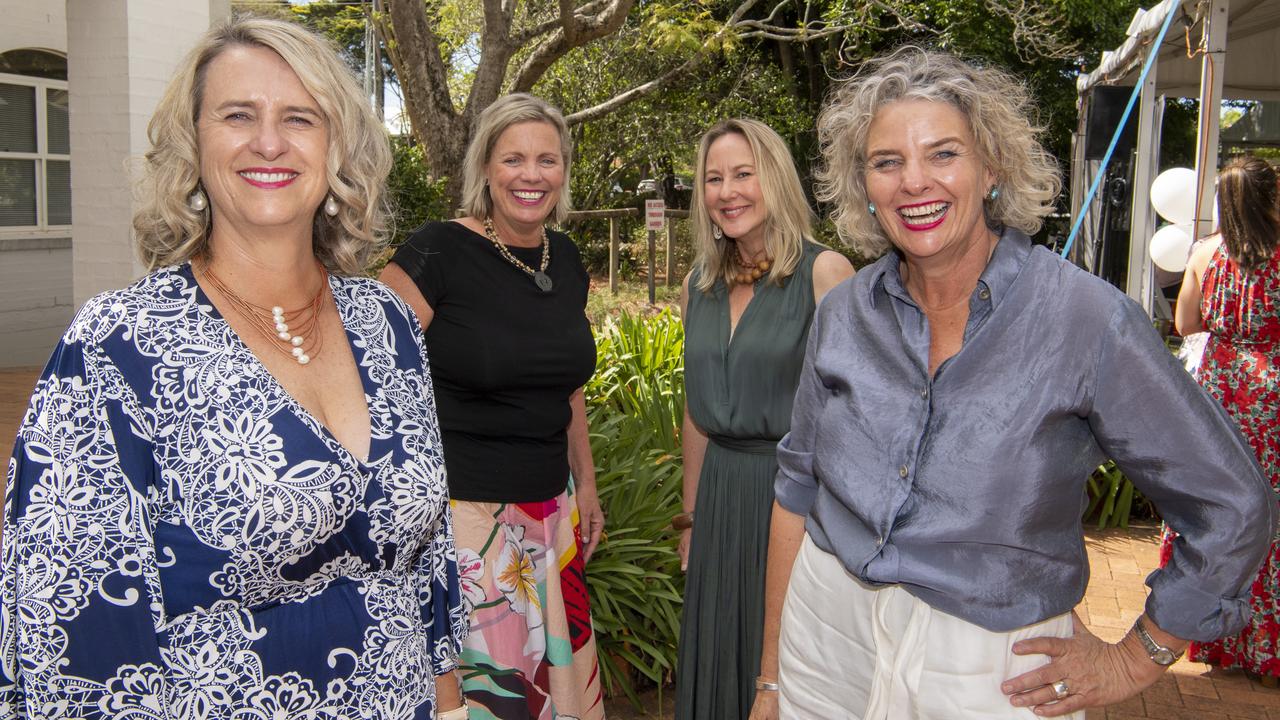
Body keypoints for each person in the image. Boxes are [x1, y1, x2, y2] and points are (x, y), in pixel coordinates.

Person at [748, 47, 1276, 720]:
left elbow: (1234, 502)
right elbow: (797, 490)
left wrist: (1138, 656)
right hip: (826, 638)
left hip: (991, 670)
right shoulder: (844, 313)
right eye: (887, 162)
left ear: (992, 165)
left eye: (944, 154)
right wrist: (772, 681)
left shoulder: (1084, 319)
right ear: (865, 184)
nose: (914, 181)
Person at [1, 16, 468, 719]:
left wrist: (449, 696)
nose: (270, 142)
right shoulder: (119, 346)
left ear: (336, 144)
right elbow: (69, 620)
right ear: (195, 144)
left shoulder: (387, 323)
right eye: (238, 115)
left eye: (299, 118)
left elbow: (427, 560)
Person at [379, 93, 604, 720]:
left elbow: (566, 385)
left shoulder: (568, 259)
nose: (531, 176)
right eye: (513, 159)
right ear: (484, 168)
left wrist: (585, 483)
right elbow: (370, 373)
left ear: (563, 171)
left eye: (547, 160)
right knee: (494, 701)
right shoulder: (438, 253)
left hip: (551, 515)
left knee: (555, 699)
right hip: (468, 525)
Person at [674, 118, 852, 720]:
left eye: (744, 174)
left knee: (779, 672)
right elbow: (697, 415)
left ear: (774, 177)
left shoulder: (827, 274)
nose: (728, 191)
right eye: (714, 178)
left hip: (794, 507)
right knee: (719, 657)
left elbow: (854, 423)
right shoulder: (697, 286)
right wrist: (691, 518)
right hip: (720, 503)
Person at [1162, 155, 1280, 684]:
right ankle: (1265, 645)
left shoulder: (1205, 253)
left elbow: (1186, 323)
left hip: (1220, 390)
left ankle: (1207, 633)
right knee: (1270, 517)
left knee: (1215, 507)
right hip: (1273, 389)